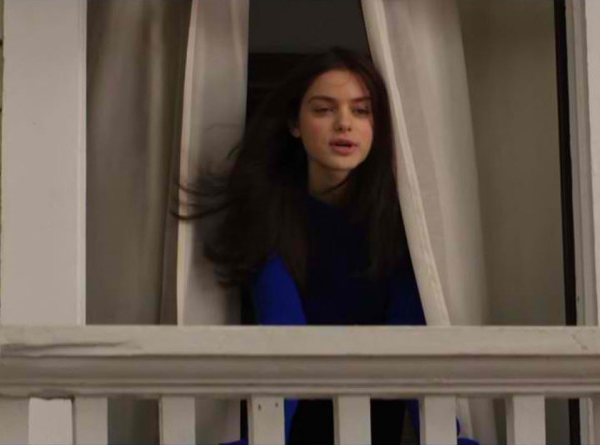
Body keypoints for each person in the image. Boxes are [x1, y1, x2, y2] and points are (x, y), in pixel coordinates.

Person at [181, 47, 426, 444]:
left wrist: (448, 435)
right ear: (295, 124)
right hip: (284, 428)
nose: (344, 124)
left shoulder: (405, 225)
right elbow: (284, 333)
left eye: (361, 111)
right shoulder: (270, 215)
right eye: (324, 109)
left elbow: (410, 340)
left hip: (373, 430)